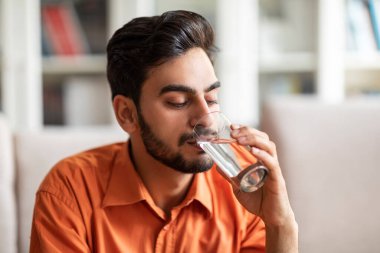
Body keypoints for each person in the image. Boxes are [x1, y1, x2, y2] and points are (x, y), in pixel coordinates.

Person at [30, 10, 298, 253]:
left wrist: (280, 223)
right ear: (127, 114)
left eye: (212, 98)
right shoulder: (69, 192)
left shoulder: (243, 188)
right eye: (178, 102)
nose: (206, 118)